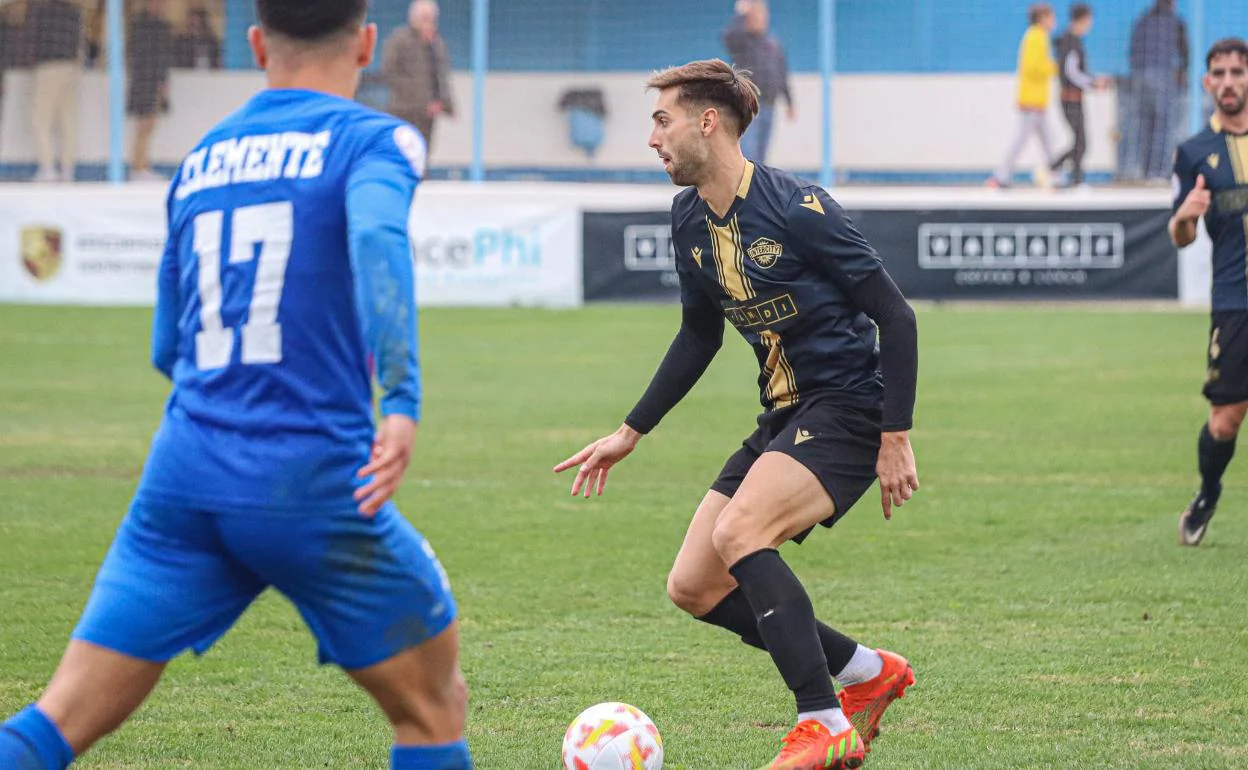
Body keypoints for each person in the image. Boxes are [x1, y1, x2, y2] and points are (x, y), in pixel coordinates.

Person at [0, 1, 472, 769]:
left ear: (255, 44)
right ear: (365, 41)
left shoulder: (200, 158)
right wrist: (403, 400)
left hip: (183, 479)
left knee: (56, 722)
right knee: (433, 707)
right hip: (312, 480)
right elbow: (379, 238)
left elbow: (167, 344)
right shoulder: (375, 138)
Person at [555, 59, 919, 770]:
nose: (652, 138)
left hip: (848, 408)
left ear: (707, 122)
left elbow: (895, 315)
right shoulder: (688, 217)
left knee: (742, 530)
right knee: (693, 584)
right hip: (782, 416)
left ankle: (821, 719)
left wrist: (894, 438)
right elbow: (699, 334)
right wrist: (631, 431)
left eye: (662, 121)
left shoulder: (797, 208)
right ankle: (866, 673)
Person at [1171, 38, 1248, 547]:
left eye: (1237, 72)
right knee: (1224, 421)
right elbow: (1181, 235)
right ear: (1207, 83)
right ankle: (1207, 496)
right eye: (1218, 73)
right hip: (1235, 301)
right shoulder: (1195, 151)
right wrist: (1185, 215)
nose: (1228, 81)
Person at [987, 3, 1058, 189]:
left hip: (1037, 99)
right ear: (1042, 18)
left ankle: (1057, 175)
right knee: (1022, 139)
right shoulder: (1036, 37)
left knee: (1048, 140)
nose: (1053, 21)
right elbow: (1033, 67)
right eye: (1051, 17)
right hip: (1031, 100)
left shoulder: (1039, 36)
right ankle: (1001, 174)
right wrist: (1054, 67)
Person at [1049, 3, 1111, 190]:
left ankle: (1063, 171)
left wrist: (1093, 80)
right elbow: (1072, 72)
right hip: (1070, 97)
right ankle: (1064, 172)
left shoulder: (1070, 41)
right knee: (1081, 141)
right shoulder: (1071, 42)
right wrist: (1093, 82)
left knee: (1080, 140)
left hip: (1073, 97)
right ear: (1083, 19)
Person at [723, 0, 793, 164]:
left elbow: (781, 73)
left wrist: (789, 101)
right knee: (749, 151)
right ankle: (744, 187)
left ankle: (756, 186)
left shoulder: (773, 43)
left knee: (761, 154)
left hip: (769, 104)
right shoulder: (742, 40)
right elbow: (728, 36)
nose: (762, 18)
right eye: (757, 14)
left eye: (764, 14)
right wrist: (740, 14)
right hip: (750, 104)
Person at [381, 0, 454, 157]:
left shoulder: (437, 43)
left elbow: (440, 75)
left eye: (431, 18)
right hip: (404, 110)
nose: (428, 23)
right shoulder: (399, 40)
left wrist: (442, 102)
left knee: (423, 153)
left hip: (428, 114)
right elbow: (389, 72)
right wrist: (421, 100)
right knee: (402, 152)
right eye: (424, 18)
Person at [1128, 0, 1189, 180]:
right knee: (1163, 126)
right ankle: (1159, 171)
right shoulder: (1175, 21)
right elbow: (1185, 51)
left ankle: (1145, 169)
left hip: (1140, 76)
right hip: (1163, 75)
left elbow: (1133, 50)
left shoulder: (1142, 20)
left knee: (1145, 124)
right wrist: (1183, 72)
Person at [25, 0, 84, 183]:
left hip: (47, 67)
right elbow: (80, 42)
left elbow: (31, 39)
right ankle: (68, 169)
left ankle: (47, 167)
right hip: (71, 67)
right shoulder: (75, 12)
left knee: (41, 119)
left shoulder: (40, 11)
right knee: (68, 120)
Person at [127, 0, 175, 181]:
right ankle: (139, 166)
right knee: (144, 125)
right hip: (146, 81)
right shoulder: (145, 27)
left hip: (151, 81)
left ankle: (142, 164)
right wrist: (160, 81)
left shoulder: (157, 27)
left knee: (148, 126)